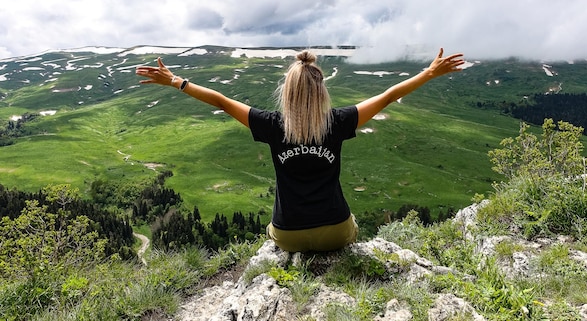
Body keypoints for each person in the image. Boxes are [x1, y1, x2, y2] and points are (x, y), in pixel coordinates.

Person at [136, 48, 464, 252]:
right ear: (322, 91)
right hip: (337, 231)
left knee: (272, 233)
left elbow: (222, 102)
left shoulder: (271, 124)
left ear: (287, 92)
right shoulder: (337, 121)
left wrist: (177, 81)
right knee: (352, 226)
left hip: (287, 233)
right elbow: (389, 96)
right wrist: (429, 72)